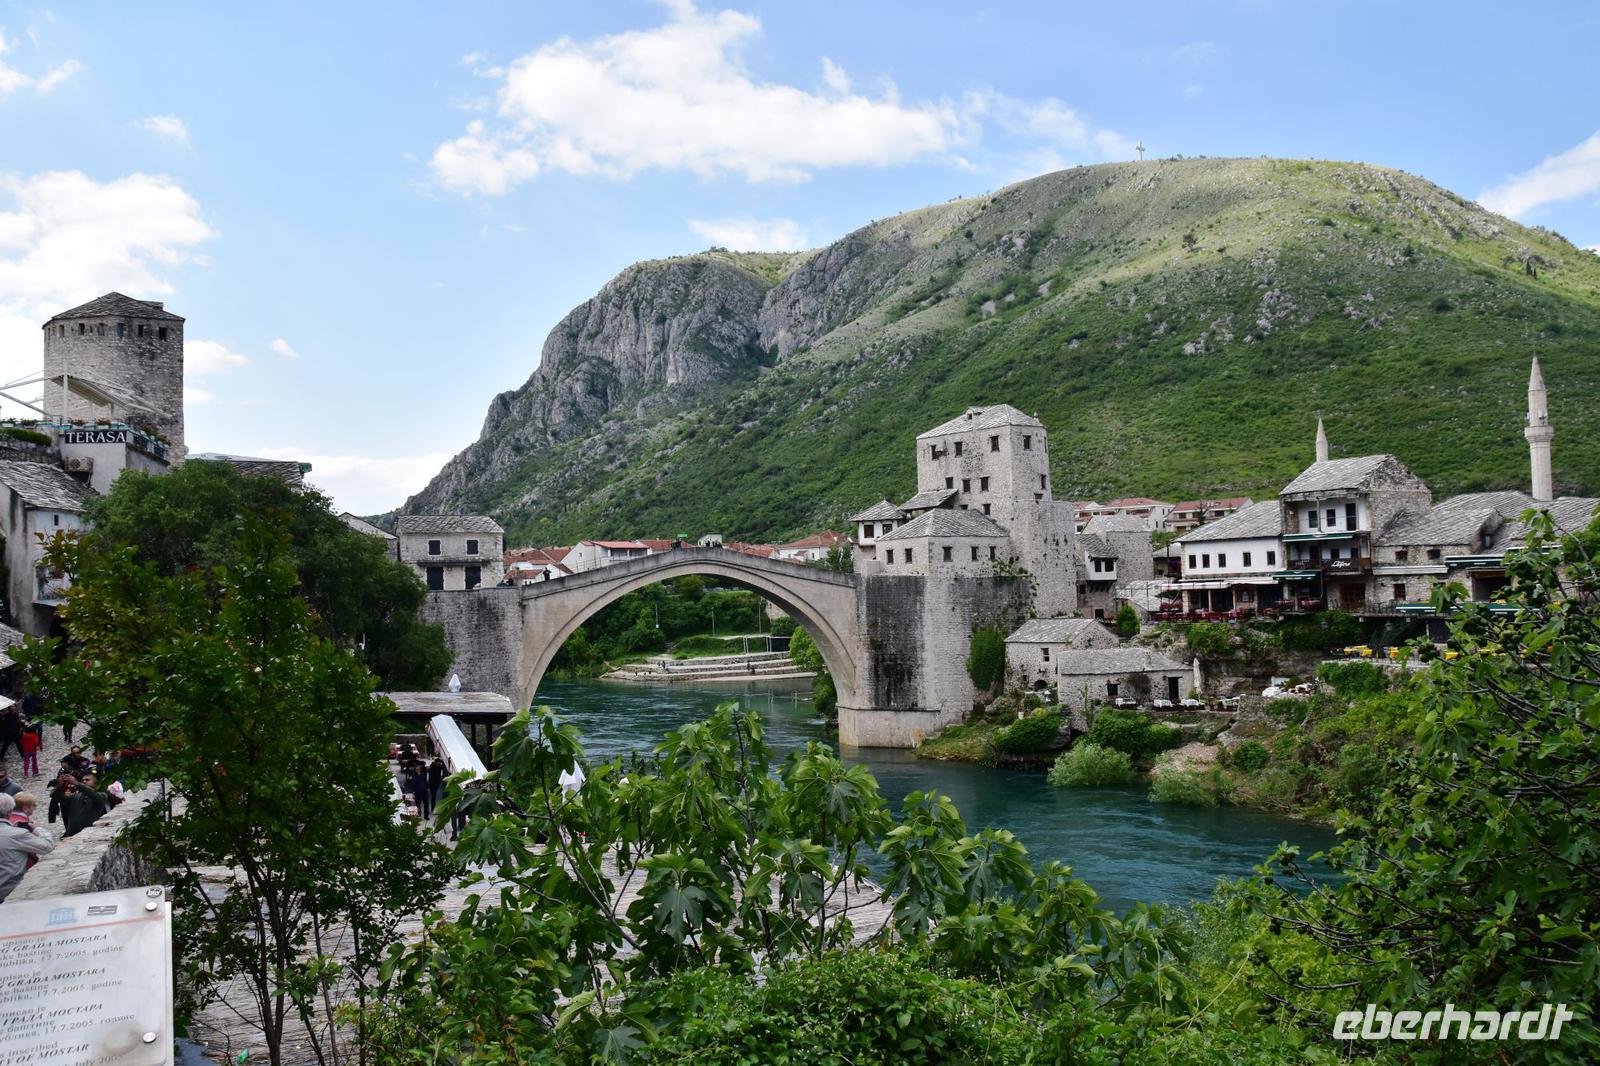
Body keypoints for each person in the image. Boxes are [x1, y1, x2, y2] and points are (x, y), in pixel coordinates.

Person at [0, 793, 54, 901]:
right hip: (9, 891)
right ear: (9, 812)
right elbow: (47, 847)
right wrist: (38, 829)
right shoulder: (16, 834)